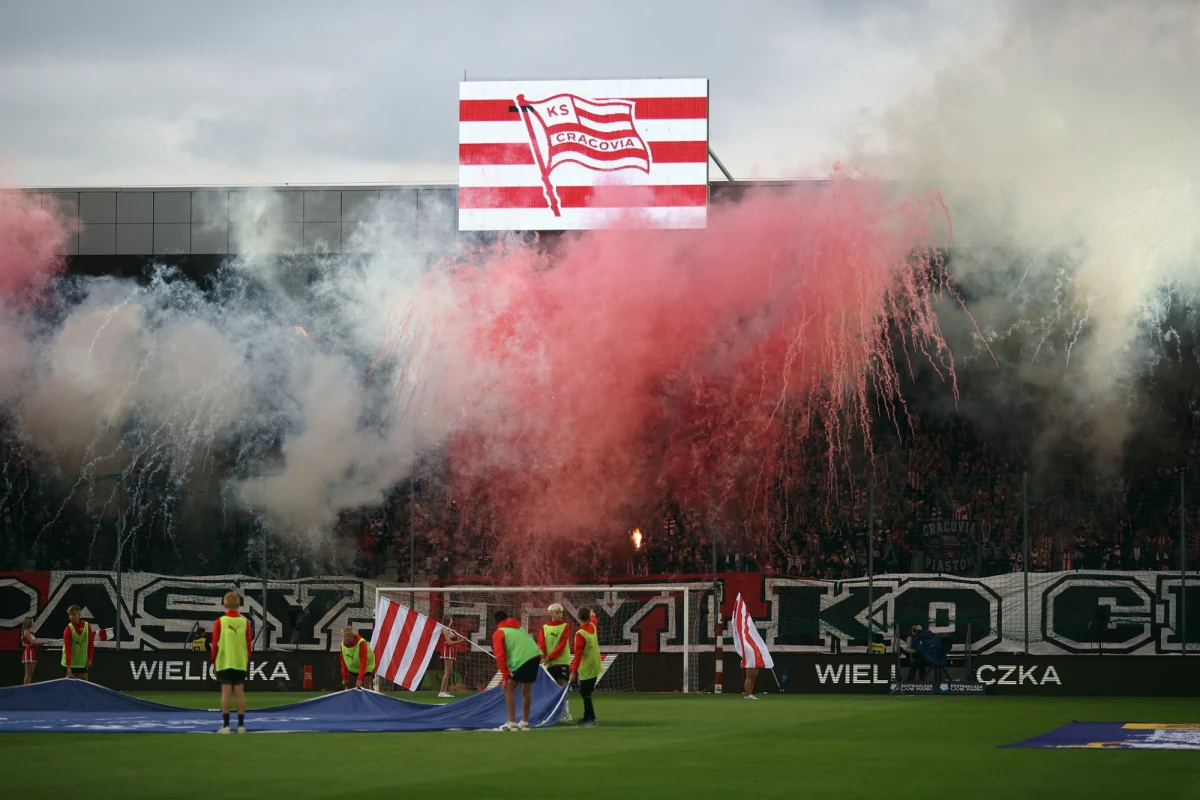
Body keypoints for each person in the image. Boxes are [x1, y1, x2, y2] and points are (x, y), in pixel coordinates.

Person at [491, 609, 542, 731]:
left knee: (508, 687)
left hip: (522, 660)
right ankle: (524, 722)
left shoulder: (499, 632)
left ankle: (511, 723)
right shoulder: (518, 627)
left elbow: (500, 656)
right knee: (525, 689)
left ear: (496, 622)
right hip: (535, 656)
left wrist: (505, 676)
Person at [212, 591, 253, 734]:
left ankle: (226, 726)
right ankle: (241, 726)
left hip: (224, 661)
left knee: (226, 693)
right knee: (240, 693)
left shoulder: (220, 621)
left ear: (224, 604)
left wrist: (213, 660)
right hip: (240, 662)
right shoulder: (245, 622)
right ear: (239, 605)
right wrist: (247, 658)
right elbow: (249, 644)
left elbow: (215, 643)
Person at [538, 603, 573, 722]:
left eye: (561, 612)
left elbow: (562, 645)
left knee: (561, 686)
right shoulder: (544, 628)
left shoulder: (565, 626)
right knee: (550, 688)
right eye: (557, 612)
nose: (560, 614)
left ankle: (565, 713)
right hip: (549, 663)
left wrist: (549, 657)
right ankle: (552, 713)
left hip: (561, 661)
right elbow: (542, 644)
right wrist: (543, 656)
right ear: (550, 613)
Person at [570, 605, 601, 726]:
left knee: (585, 692)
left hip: (587, 667)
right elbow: (594, 619)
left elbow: (578, 655)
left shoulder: (580, 634)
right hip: (595, 664)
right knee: (585, 692)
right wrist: (592, 613)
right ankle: (586, 717)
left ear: (578, 617)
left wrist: (573, 671)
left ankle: (592, 719)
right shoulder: (592, 626)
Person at [62, 605, 94, 682]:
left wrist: (89, 659)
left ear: (79, 615)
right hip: (70, 661)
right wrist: (68, 667)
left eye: (74, 614)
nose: (71, 617)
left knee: (84, 684)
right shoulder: (68, 629)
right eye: (70, 615)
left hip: (82, 661)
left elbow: (90, 643)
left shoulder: (87, 626)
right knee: (70, 686)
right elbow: (68, 648)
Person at [340, 626, 375, 690]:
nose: (344, 639)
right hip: (352, 670)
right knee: (348, 690)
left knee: (366, 690)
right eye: (343, 636)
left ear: (352, 636)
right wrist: (344, 678)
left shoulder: (361, 643)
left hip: (365, 670)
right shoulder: (342, 645)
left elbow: (363, 661)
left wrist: (360, 679)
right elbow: (343, 662)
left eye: (346, 636)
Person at [438, 615, 465, 698]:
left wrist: (455, 634)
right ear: (449, 621)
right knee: (447, 671)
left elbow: (455, 640)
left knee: (449, 671)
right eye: (451, 619)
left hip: (451, 650)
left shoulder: (449, 629)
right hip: (447, 649)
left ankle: (444, 690)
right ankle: (442, 691)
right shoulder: (445, 629)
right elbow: (449, 642)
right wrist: (462, 640)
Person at [21, 617, 44, 685]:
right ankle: (26, 690)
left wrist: (42, 643)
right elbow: (33, 643)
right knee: (28, 674)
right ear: (29, 623)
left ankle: (27, 688)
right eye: (32, 621)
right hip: (29, 653)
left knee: (30, 674)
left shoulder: (30, 632)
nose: (33, 622)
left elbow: (33, 643)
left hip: (32, 651)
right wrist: (45, 642)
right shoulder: (26, 632)